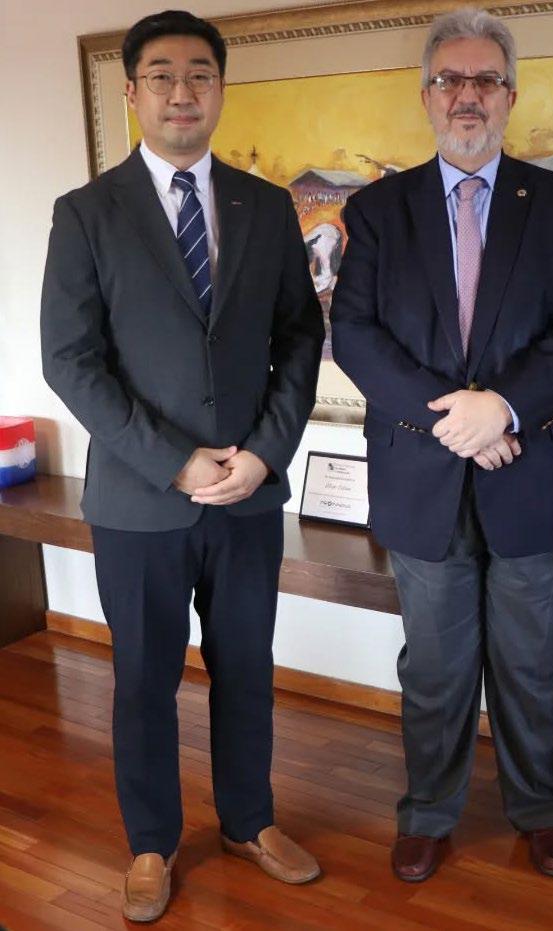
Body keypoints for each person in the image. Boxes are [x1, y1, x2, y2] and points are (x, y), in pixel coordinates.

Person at [40, 10, 325, 922]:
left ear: (219, 89)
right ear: (133, 92)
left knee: (246, 668)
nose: (181, 91)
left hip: (246, 495)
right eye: (161, 75)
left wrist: (264, 454)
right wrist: (175, 462)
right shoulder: (87, 213)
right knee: (143, 680)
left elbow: (299, 337)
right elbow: (69, 360)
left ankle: (249, 820)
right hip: (140, 500)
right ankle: (152, 842)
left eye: (199, 73)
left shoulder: (265, 206)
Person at [330, 6, 553, 883]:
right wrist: (460, 421)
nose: (467, 95)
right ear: (425, 95)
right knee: (435, 667)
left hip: (531, 473)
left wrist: (504, 409)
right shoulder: (376, 211)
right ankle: (427, 812)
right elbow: (356, 336)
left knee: (530, 662)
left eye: (485, 79)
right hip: (423, 476)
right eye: (449, 79)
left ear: (510, 97)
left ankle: (539, 808)